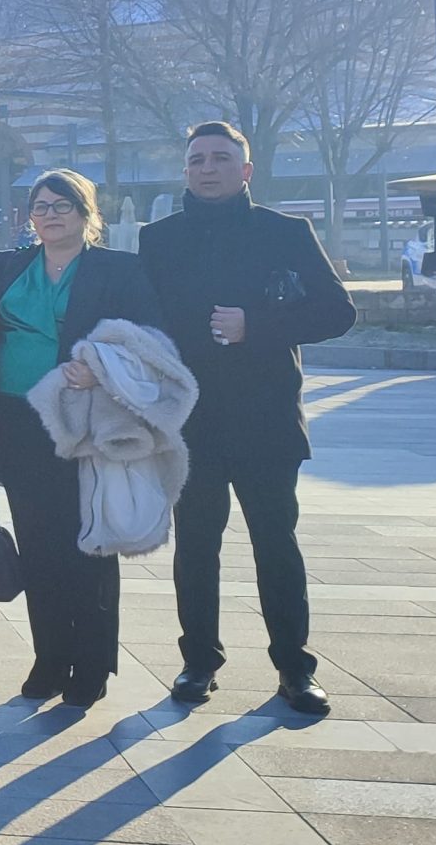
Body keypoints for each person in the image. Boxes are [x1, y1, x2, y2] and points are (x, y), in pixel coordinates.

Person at [140, 122, 356, 716]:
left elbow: (338, 311)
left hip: (266, 420)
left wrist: (256, 326)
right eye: (197, 160)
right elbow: (142, 323)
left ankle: (294, 668)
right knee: (195, 546)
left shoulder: (285, 232)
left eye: (220, 158)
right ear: (186, 171)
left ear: (246, 170)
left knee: (275, 544)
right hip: (190, 424)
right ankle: (198, 662)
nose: (207, 168)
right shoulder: (158, 240)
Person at [0, 169, 163, 707]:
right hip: (17, 421)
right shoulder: (8, 266)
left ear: (87, 213)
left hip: (84, 423)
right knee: (37, 544)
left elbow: (149, 339)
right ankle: (48, 657)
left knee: (88, 542)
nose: (50, 215)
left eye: (62, 205)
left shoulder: (118, 269)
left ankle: (91, 662)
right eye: (41, 206)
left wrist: (102, 368)